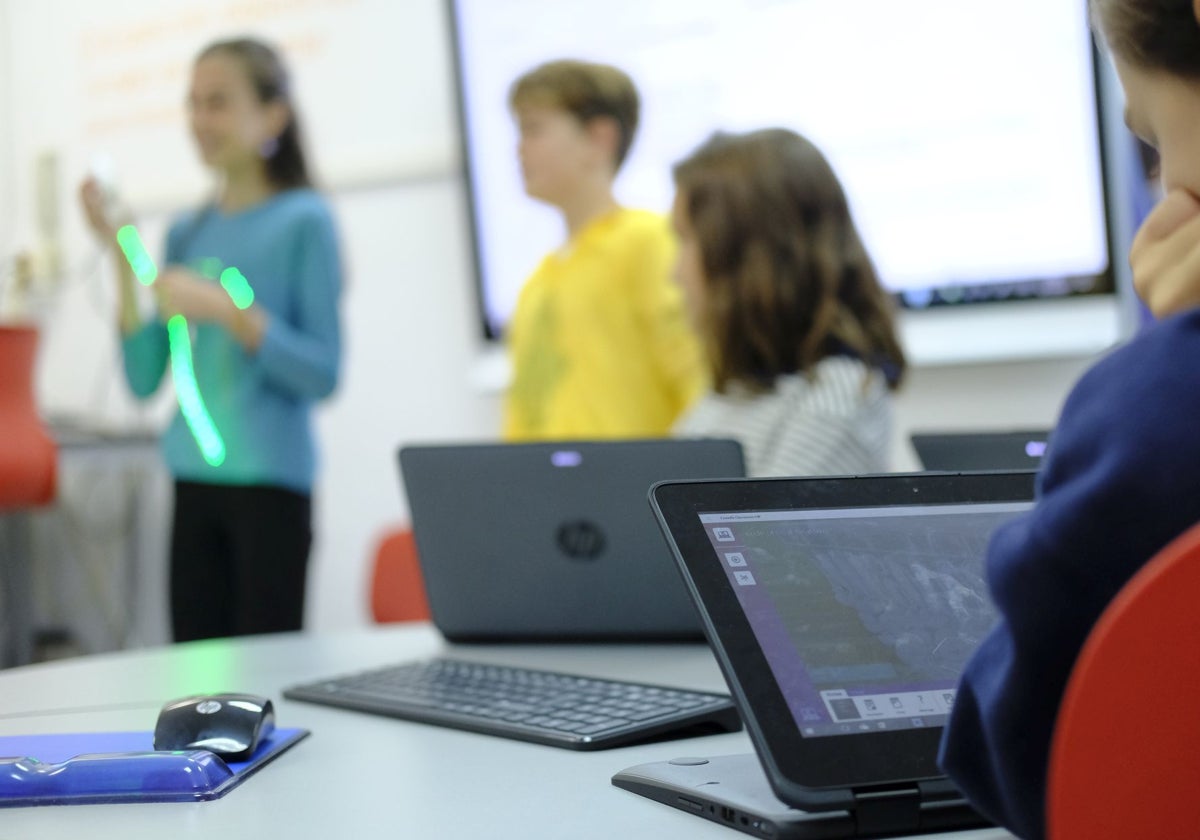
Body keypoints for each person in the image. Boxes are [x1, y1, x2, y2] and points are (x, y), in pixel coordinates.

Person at [939, 3, 1200, 837]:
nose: (1161, 191)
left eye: (1153, 143)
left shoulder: (1162, 406)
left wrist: (1172, 341)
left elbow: (1015, 759)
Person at [79, 37, 342, 642]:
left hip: (272, 492)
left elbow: (324, 373)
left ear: (273, 115)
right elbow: (145, 379)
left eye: (218, 102)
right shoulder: (187, 231)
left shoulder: (305, 221)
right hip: (194, 486)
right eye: (193, 104)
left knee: (261, 691)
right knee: (197, 686)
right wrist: (123, 256)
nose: (200, 121)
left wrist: (234, 315)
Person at [669, 129, 906, 476]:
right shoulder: (736, 389)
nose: (675, 272)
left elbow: (763, 531)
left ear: (748, 259)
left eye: (686, 241)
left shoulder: (834, 399)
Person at [502, 59, 704, 440]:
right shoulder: (538, 282)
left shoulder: (647, 241)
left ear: (600, 139)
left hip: (631, 492)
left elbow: (694, 380)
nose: (519, 148)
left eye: (534, 129)